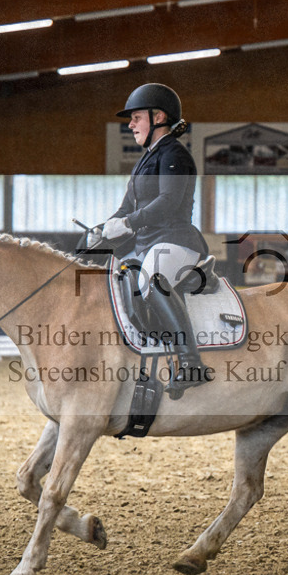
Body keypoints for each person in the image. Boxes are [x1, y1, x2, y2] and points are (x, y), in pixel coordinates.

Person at [94, 83, 211, 394]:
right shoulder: (145, 160)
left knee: (153, 280)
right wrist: (103, 228)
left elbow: (168, 201)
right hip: (149, 244)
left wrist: (129, 223)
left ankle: (190, 363)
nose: (130, 124)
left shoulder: (175, 154)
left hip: (176, 240)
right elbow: (125, 208)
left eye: (135, 118)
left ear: (158, 116)